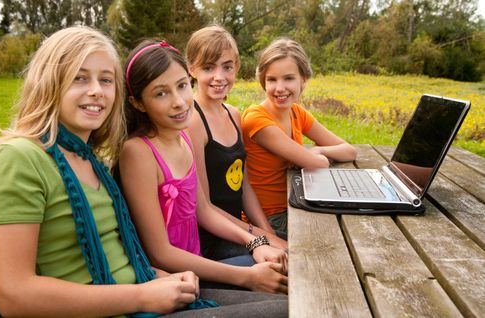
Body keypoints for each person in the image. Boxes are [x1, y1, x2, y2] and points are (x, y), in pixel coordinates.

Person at [0, 26, 283, 317]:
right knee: (292, 310)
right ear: (49, 82)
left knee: (291, 296)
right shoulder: (18, 157)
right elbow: (13, 295)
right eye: (80, 78)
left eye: (106, 80)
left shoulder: (88, 159)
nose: (96, 91)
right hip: (129, 303)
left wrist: (159, 278)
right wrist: (143, 294)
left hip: (145, 289)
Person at [117, 39, 289, 298]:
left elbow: (204, 211)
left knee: (287, 263)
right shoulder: (138, 152)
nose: (179, 101)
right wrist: (248, 277)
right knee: (286, 287)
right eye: (161, 93)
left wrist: (257, 241)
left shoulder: (182, 136)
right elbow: (160, 253)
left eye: (182, 86)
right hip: (175, 282)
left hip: (198, 263)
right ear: (138, 103)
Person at [185, 25, 287, 261]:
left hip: (241, 231)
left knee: (299, 248)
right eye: (208, 67)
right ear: (192, 69)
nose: (219, 77)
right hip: (213, 241)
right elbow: (205, 208)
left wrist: (269, 233)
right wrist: (262, 238)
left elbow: (244, 186)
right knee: (289, 266)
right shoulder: (192, 121)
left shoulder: (233, 114)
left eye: (227, 67)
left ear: (236, 68)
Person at [241, 38, 357, 239]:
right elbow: (318, 164)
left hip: (294, 204)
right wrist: (315, 155)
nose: (280, 88)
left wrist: (319, 150)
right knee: (337, 237)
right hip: (270, 219)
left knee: (353, 222)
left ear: (303, 79)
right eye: (272, 79)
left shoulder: (297, 113)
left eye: (288, 78)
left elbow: (349, 150)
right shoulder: (257, 120)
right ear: (263, 81)